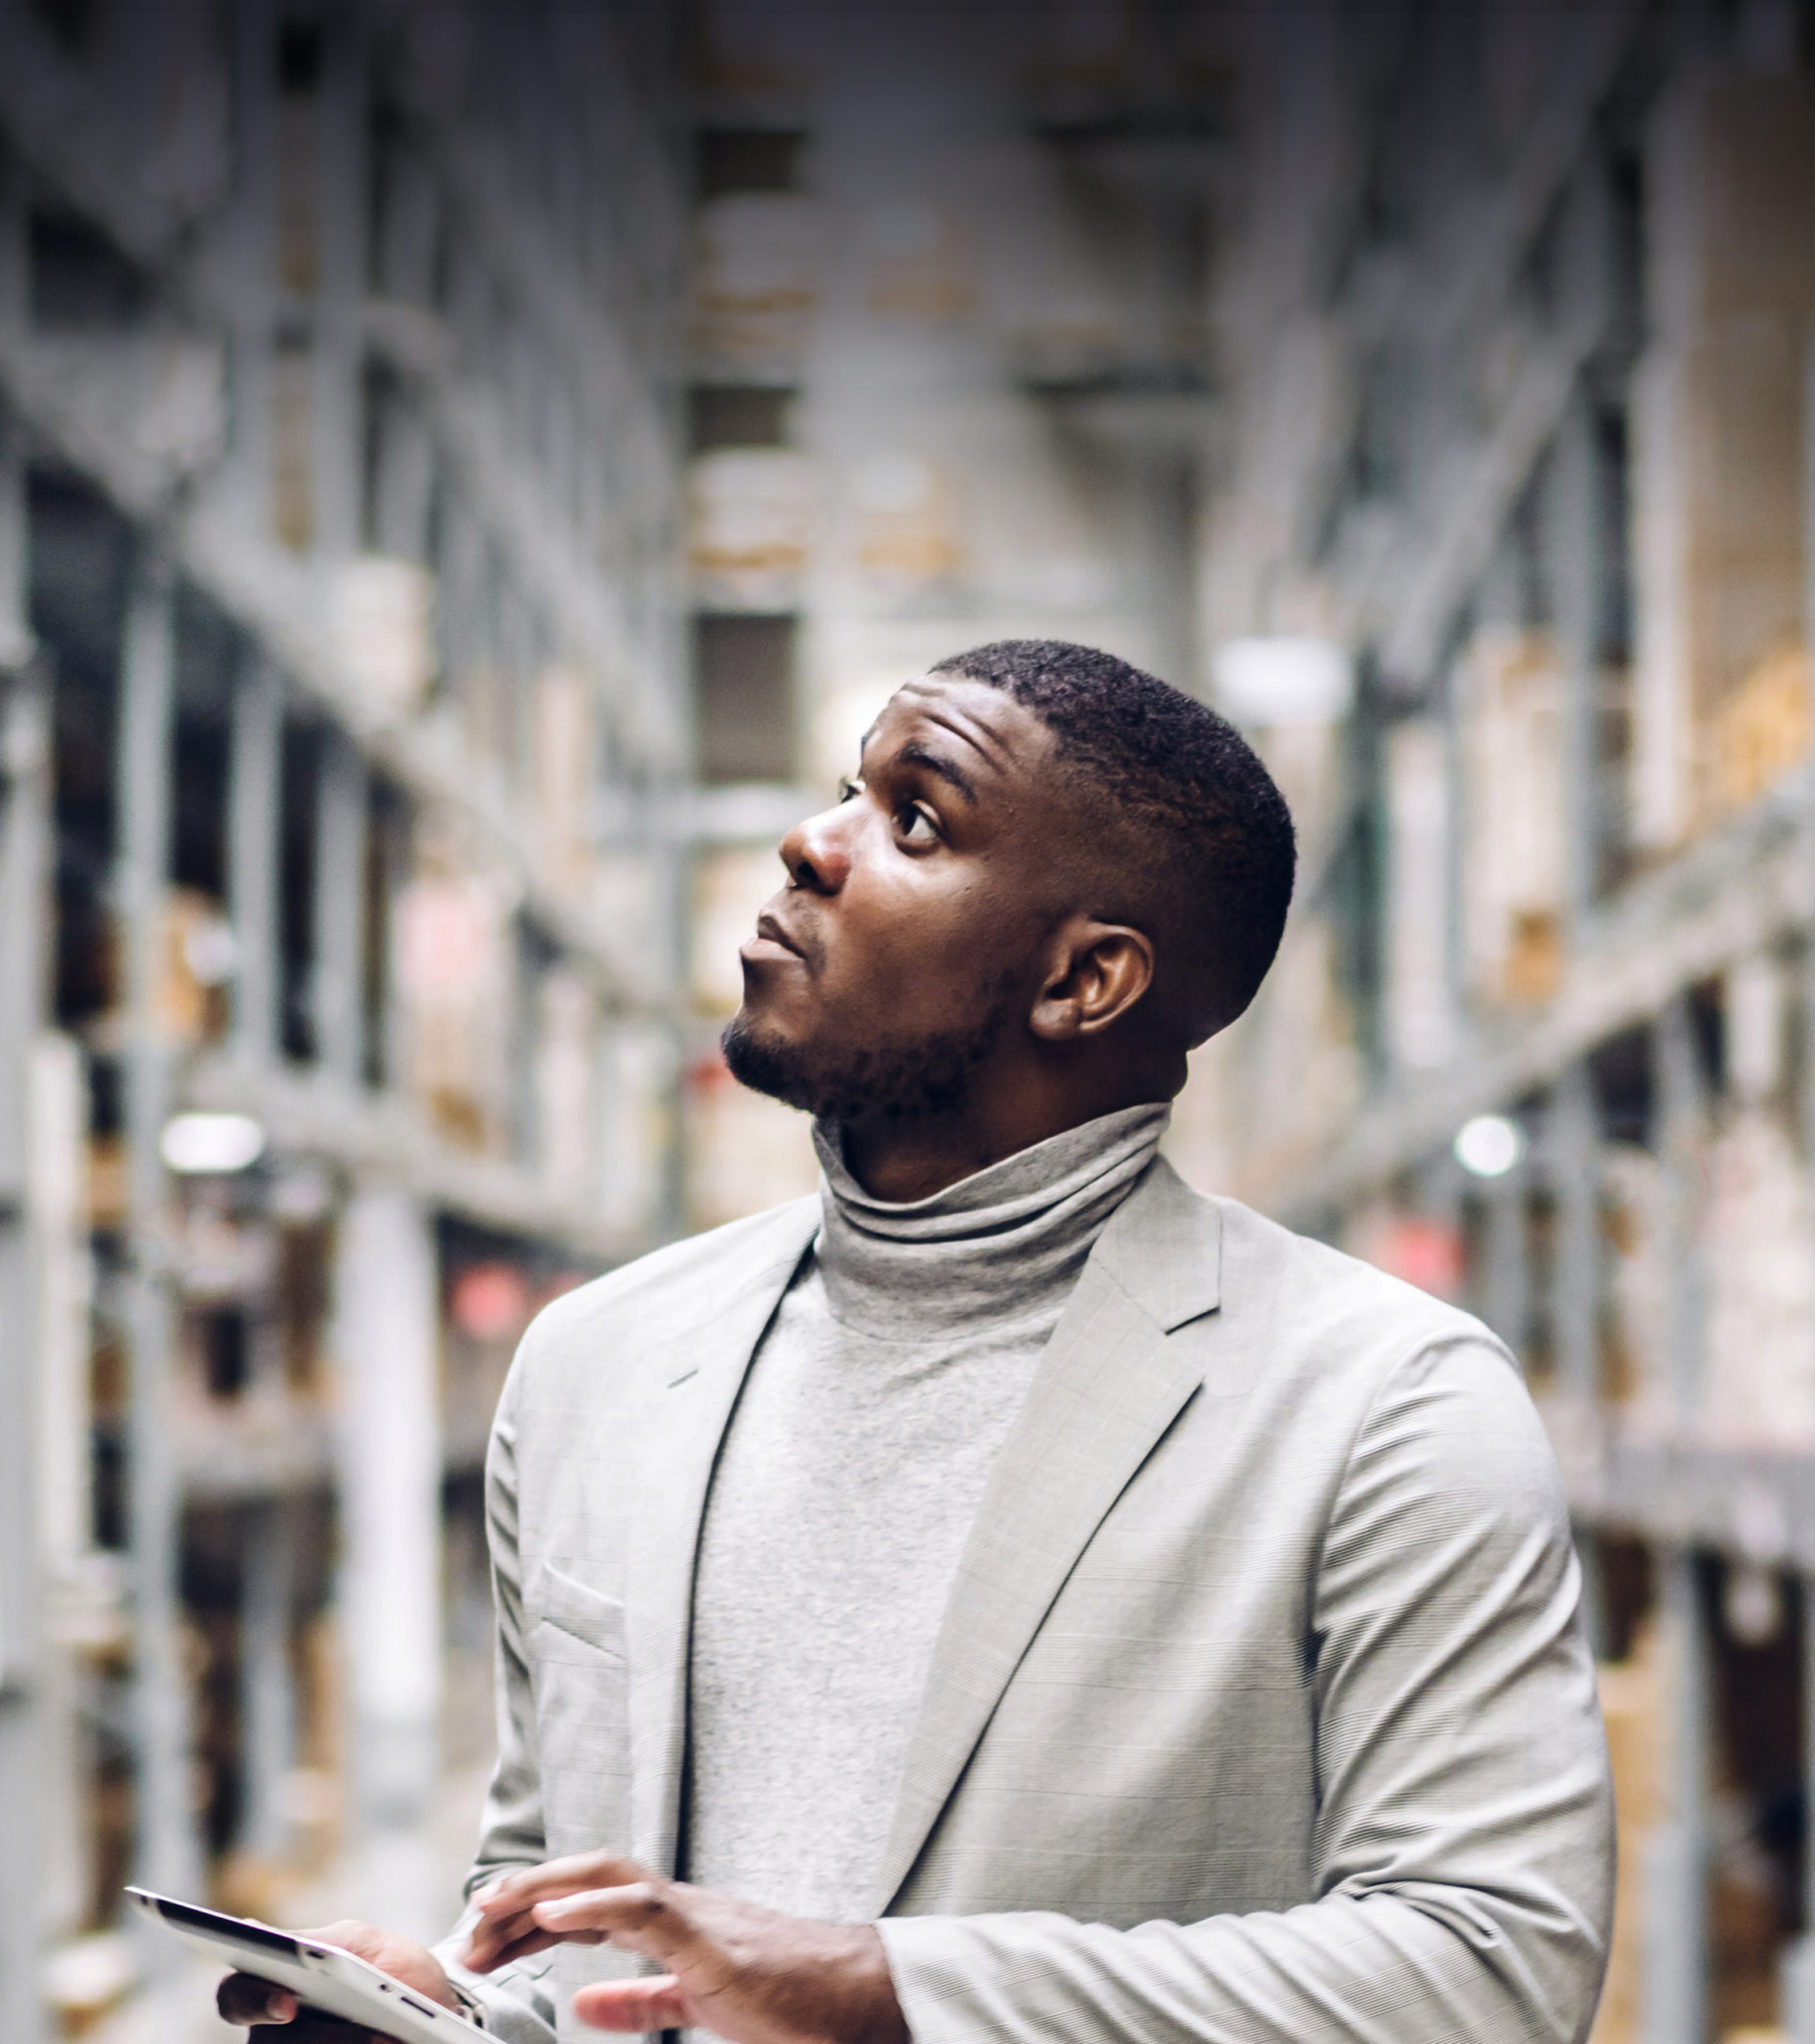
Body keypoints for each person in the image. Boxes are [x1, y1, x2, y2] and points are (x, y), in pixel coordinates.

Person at [217, 640, 1614, 2044]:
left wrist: (889, 1988)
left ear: (1085, 980)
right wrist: (441, 2009)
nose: (808, 842)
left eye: (915, 819)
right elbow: (562, 1943)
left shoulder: (1385, 1408)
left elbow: (1489, 1968)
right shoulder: (598, 1366)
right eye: (845, 789)